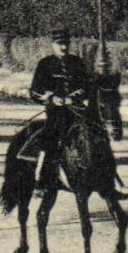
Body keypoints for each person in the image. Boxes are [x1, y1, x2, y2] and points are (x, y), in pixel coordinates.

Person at [26, 29, 90, 191]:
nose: (63, 47)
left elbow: (88, 86)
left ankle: (110, 179)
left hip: (78, 110)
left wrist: (75, 97)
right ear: (53, 45)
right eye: (60, 44)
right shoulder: (45, 64)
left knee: (98, 136)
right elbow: (34, 91)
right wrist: (52, 98)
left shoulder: (77, 62)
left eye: (66, 44)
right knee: (51, 140)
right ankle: (43, 179)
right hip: (57, 112)